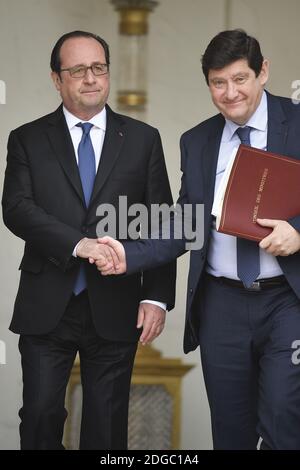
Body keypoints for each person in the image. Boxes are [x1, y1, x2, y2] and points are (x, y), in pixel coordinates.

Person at [97, 30, 300, 450]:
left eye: (240, 79)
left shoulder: (296, 122)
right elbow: (185, 223)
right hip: (220, 305)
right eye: (218, 82)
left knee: (283, 416)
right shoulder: (197, 141)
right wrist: (129, 254)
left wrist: (298, 232)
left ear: (263, 72)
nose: (230, 93)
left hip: (287, 300)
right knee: (230, 430)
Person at [2, 30, 176, 450]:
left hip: (116, 304)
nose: (91, 78)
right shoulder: (27, 138)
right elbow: (17, 209)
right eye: (77, 69)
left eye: (98, 67)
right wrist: (79, 245)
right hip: (47, 302)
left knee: (107, 426)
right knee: (41, 418)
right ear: (56, 79)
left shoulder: (142, 139)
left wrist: (155, 297)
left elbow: (163, 224)